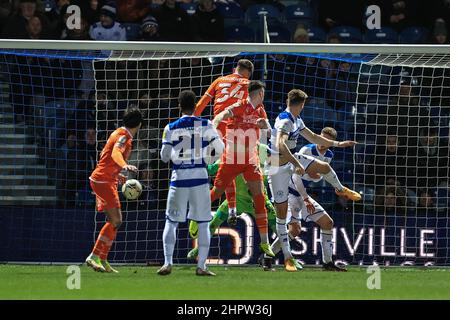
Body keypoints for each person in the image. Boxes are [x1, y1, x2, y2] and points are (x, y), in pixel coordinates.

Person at [267, 89, 359, 271]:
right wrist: (296, 164)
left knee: (325, 170)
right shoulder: (285, 121)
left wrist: (340, 144)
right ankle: (282, 258)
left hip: (290, 167)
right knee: (284, 220)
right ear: (301, 105)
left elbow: (314, 136)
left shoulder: (297, 120)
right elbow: (279, 145)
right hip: (277, 167)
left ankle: (341, 189)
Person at [263, 127, 350, 272]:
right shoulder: (306, 150)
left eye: (326, 140)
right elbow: (296, 177)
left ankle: (328, 263)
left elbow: (316, 178)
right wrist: (306, 198)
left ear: (331, 142)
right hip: (289, 192)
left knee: (327, 223)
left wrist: (313, 180)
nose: (322, 143)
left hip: (301, 194)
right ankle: (268, 257)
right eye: (321, 138)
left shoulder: (328, 154)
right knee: (294, 229)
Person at [158, 90, 224, 276]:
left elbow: (163, 158)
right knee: (203, 223)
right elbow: (221, 148)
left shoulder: (170, 127)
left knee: (171, 222)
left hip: (178, 180)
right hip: (200, 180)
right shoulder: (205, 124)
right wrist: (210, 160)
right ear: (195, 106)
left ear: (179, 106)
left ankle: (167, 263)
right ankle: (201, 266)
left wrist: (175, 155)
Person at [209, 80, 275, 258]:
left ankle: (265, 243)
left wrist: (265, 127)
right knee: (217, 191)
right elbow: (221, 115)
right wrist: (214, 127)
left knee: (259, 197)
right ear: (259, 93)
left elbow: (270, 132)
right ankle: (195, 217)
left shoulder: (261, 110)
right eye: (263, 93)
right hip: (232, 158)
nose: (264, 96)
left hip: (251, 160)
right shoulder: (240, 106)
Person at [186, 144, 278, 260]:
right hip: (237, 200)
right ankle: (199, 249)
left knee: (279, 228)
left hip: (259, 201)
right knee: (214, 223)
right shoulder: (229, 156)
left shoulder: (262, 150)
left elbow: (276, 160)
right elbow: (211, 169)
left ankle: (286, 256)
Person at [193, 59, 254, 226]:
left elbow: (201, 104)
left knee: (223, 169)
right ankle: (231, 209)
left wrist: (191, 120)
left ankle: (225, 207)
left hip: (214, 129)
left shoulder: (219, 80)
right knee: (230, 169)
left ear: (235, 69)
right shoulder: (250, 84)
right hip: (234, 130)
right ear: (248, 73)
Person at [85, 108, 143, 273]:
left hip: (105, 179)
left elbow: (106, 158)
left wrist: (118, 175)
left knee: (115, 222)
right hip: (102, 181)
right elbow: (115, 153)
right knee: (116, 221)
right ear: (139, 124)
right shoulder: (123, 137)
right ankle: (94, 256)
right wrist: (124, 166)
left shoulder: (118, 132)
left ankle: (102, 258)